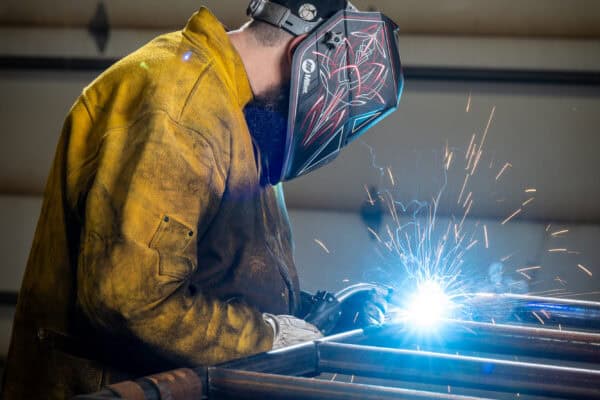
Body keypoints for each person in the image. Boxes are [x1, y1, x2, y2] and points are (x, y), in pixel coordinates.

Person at [1, 1, 403, 398]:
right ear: (307, 55)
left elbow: (223, 273)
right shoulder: (180, 108)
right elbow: (132, 301)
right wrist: (266, 337)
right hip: (111, 387)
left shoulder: (241, 112)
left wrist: (319, 315)